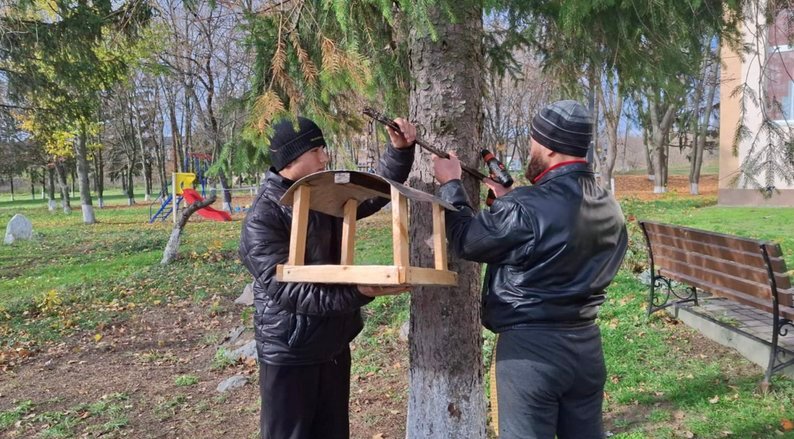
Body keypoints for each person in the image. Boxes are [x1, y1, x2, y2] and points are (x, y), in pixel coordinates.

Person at [431, 100, 628, 439]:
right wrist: (509, 200)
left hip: (530, 354)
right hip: (586, 349)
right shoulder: (611, 207)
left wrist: (451, 184)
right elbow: (557, 234)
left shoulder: (524, 207)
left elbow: (466, 240)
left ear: (550, 148)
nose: (530, 148)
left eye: (534, 141)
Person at [239, 115, 415, 439]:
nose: (325, 157)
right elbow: (292, 293)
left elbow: (372, 194)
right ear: (291, 158)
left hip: (332, 347)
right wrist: (360, 291)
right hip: (290, 352)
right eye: (316, 150)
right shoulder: (262, 218)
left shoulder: (323, 195)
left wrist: (400, 151)